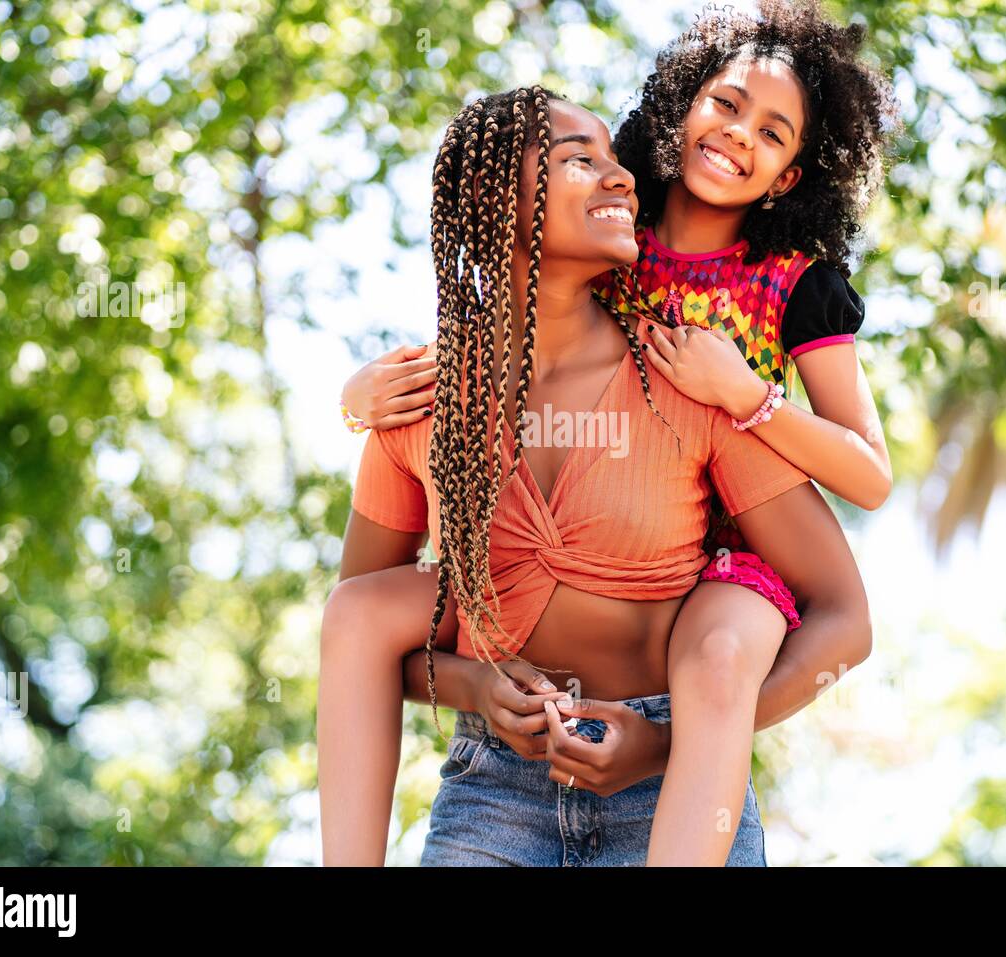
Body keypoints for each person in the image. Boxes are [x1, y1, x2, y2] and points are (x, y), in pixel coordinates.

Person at [318, 85, 871, 867]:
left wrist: (666, 740)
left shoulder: (683, 375)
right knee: (353, 606)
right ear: (491, 196)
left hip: (674, 786)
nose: (622, 179)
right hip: (493, 795)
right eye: (582, 160)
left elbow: (845, 616)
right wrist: (474, 687)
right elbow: (367, 639)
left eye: (618, 161)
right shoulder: (416, 405)